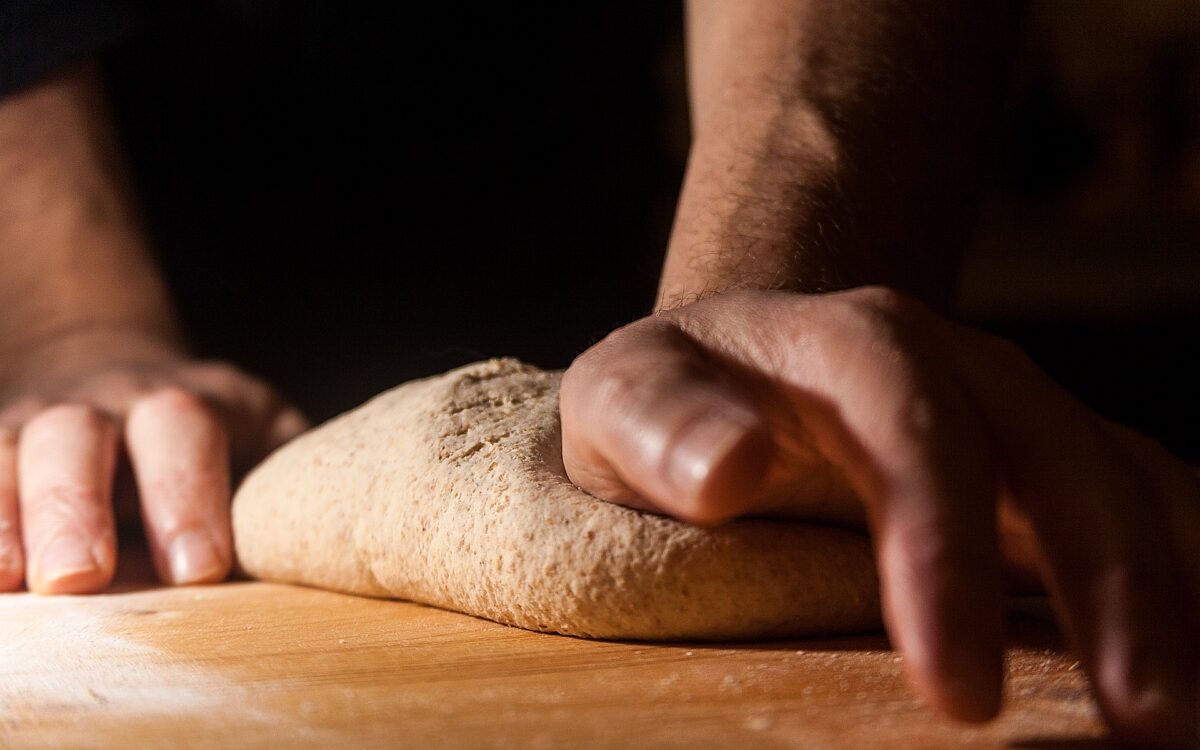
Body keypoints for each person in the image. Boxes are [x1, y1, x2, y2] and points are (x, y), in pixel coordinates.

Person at [0, 1, 1194, 743]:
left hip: (591, 313)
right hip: (132, 346)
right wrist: (72, 323)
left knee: (677, 464)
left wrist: (765, 292)